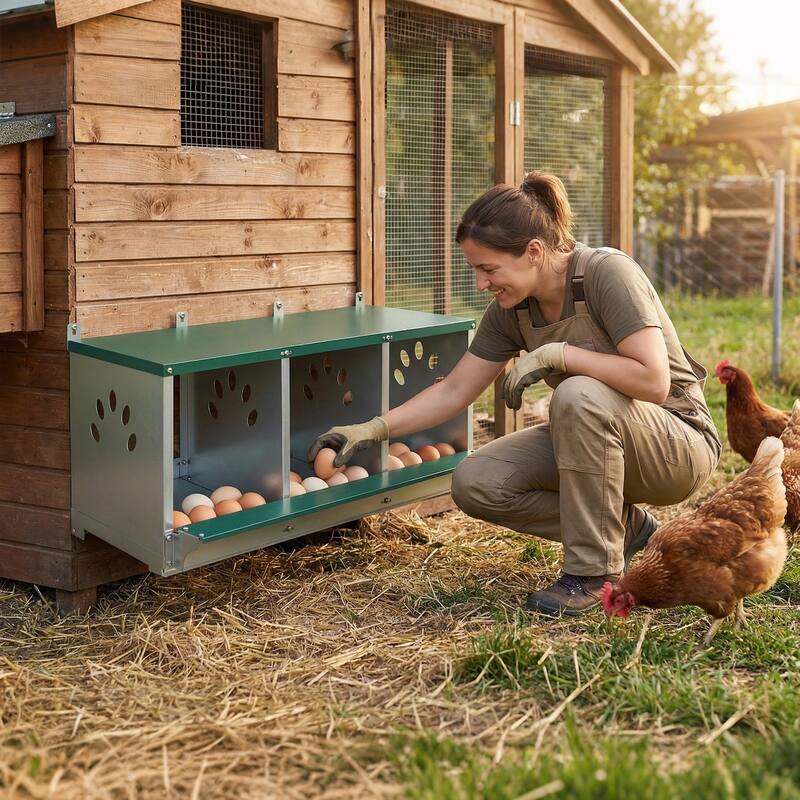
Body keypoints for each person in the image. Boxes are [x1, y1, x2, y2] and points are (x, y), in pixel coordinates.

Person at [309, 171, 721, 617]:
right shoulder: (512, 309)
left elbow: (653, 381)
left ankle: (593, 573)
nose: (480, 283)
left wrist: (560, 354)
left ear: (534, 252)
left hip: (678, 442)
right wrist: (374, 428)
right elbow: (454, 390)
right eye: (475, 270)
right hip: (600, 439)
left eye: (489, 269)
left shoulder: (606, 273)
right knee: (477, 483)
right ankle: (628, 528)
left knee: (578, 394)